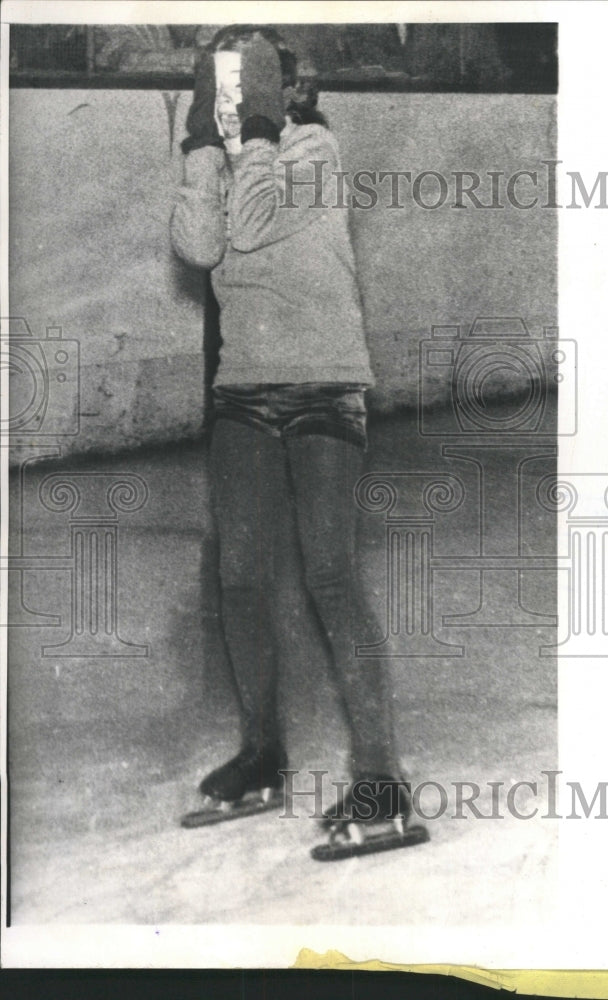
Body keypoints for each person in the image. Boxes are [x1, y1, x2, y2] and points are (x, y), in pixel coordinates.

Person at [170, 26, 410, 844]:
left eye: (255, 80)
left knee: (329, 575)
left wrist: (257, 133)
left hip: (323, 388)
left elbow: (252, 224)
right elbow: (200, 244)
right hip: (244, 390)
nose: (240, 101)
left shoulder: (314, 149)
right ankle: (262, 755)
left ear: (290, 91)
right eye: (227, 84)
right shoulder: (226, 154)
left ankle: (382, 783)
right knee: (237, 577)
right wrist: (204, 147)